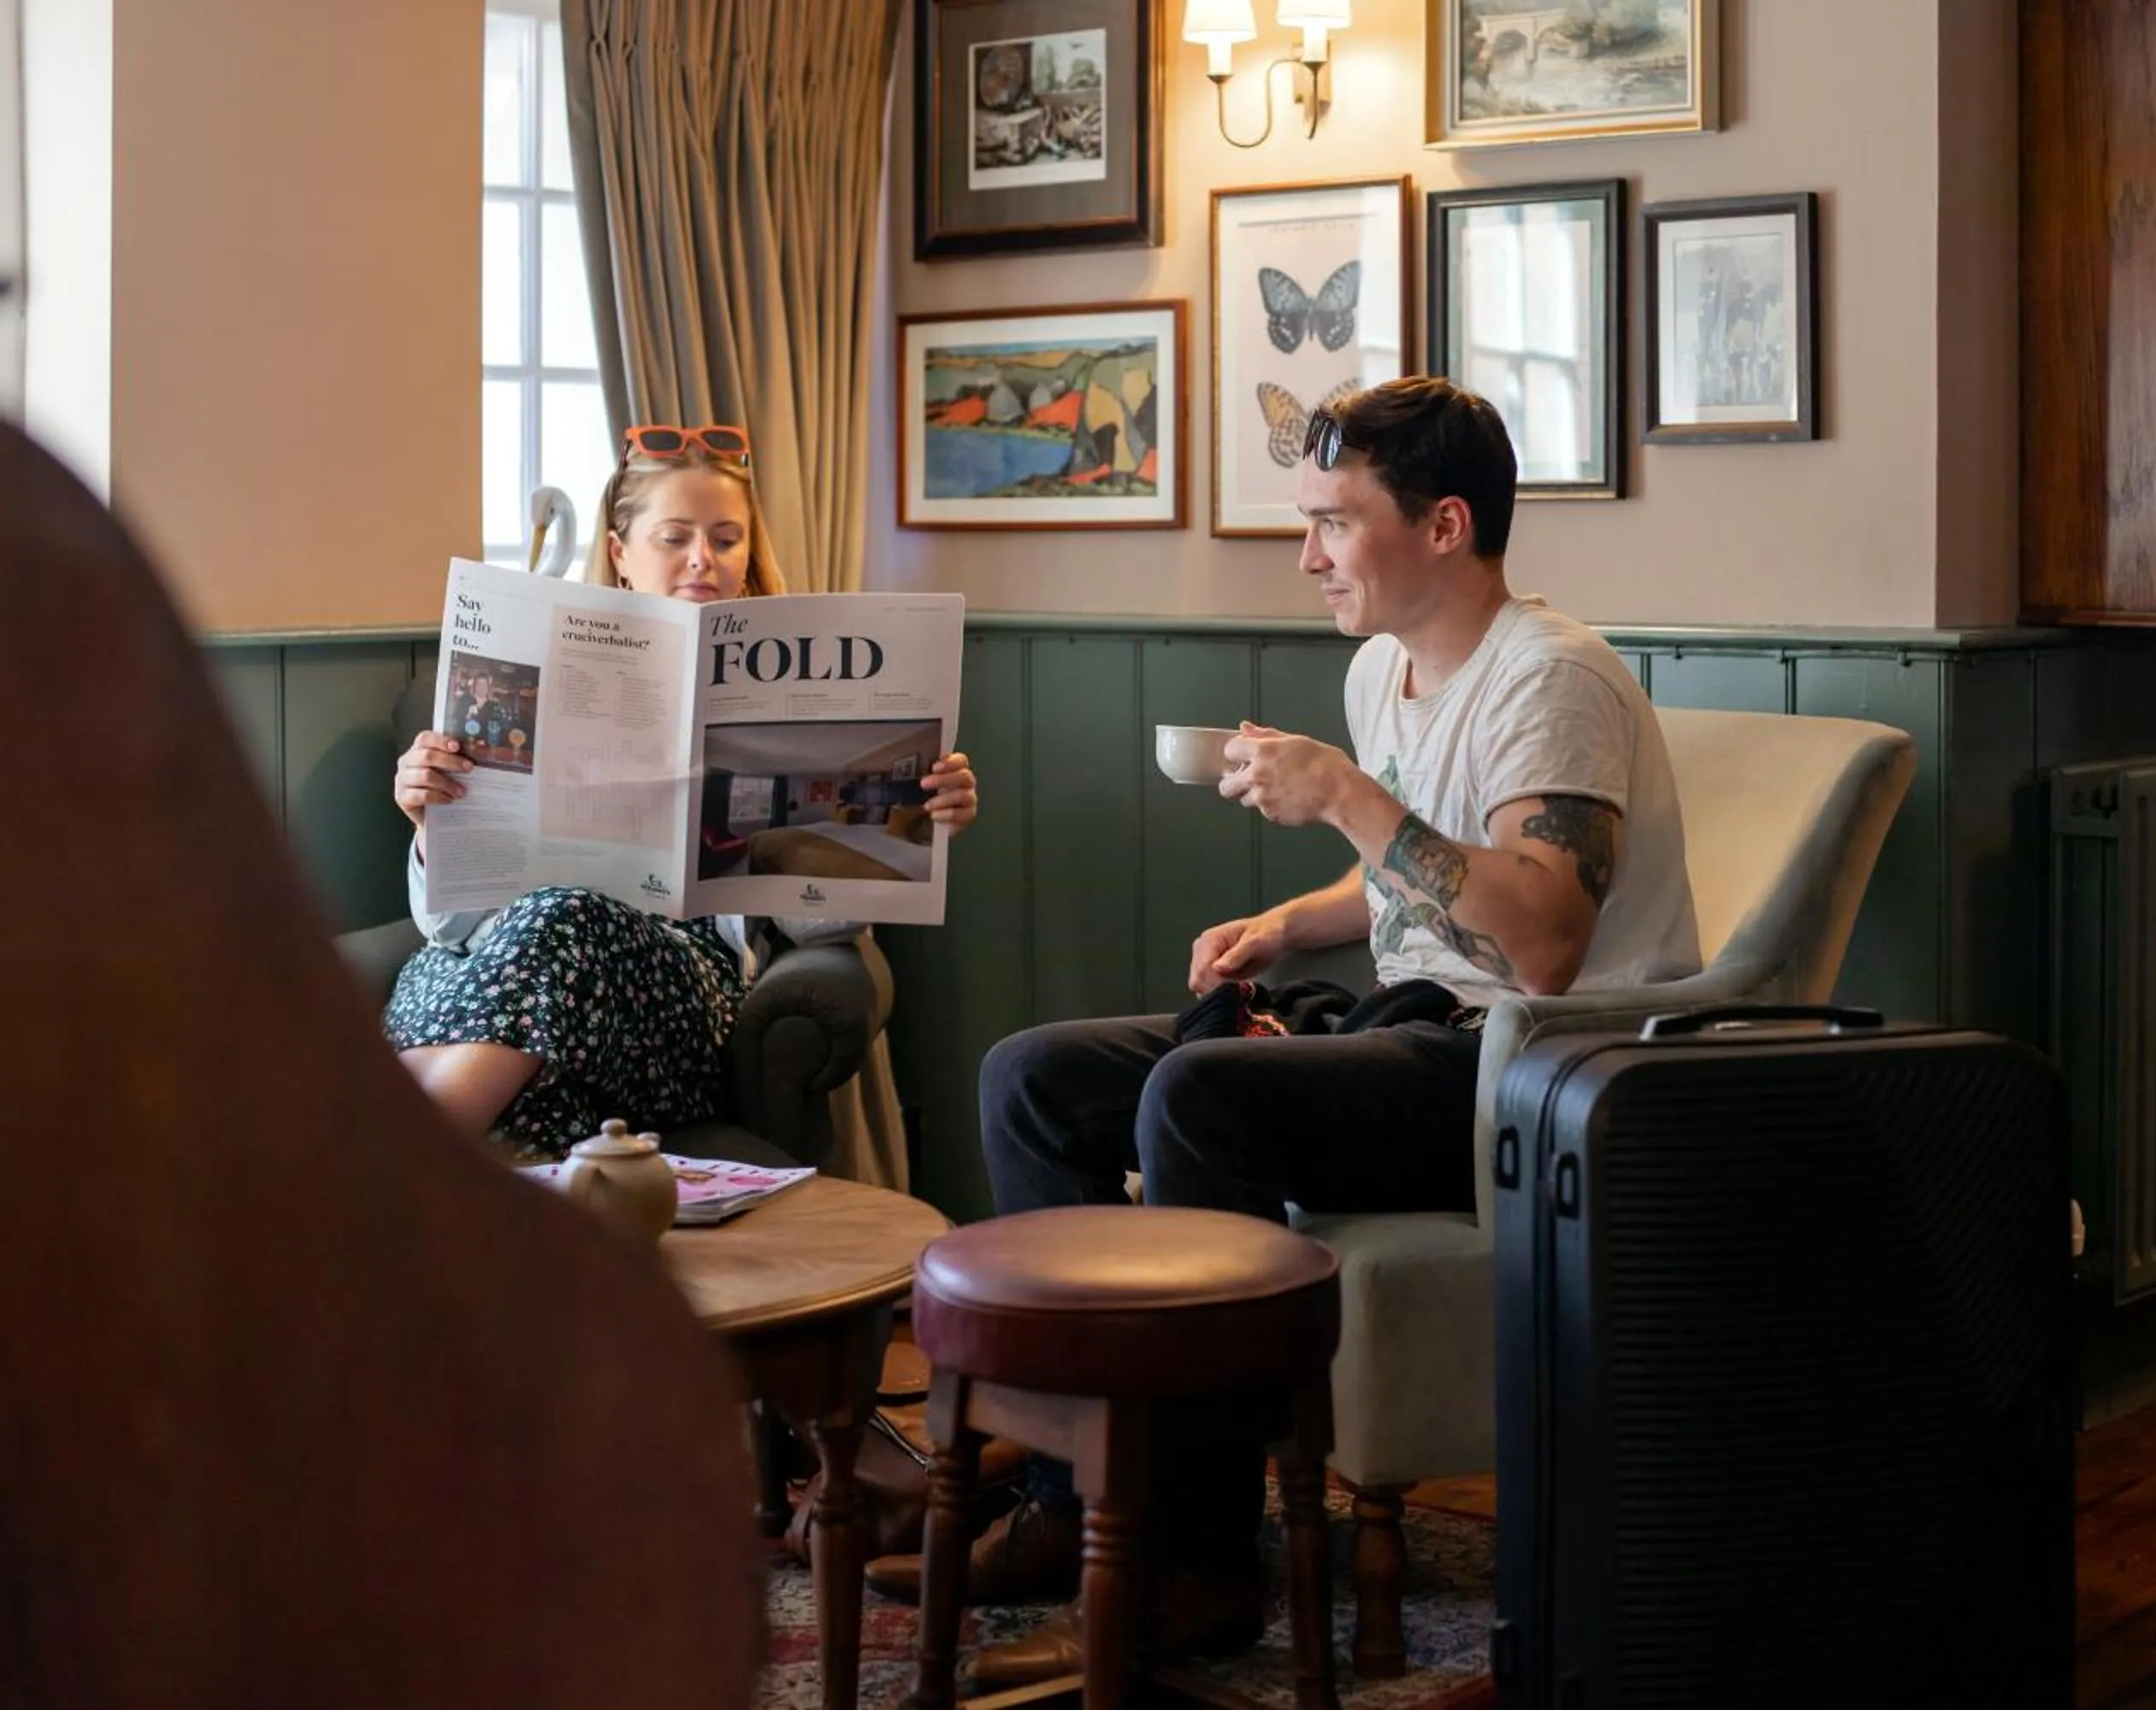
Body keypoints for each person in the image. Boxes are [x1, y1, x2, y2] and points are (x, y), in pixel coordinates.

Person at [883, 377, 1701, 1687]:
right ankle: (1063, 1500)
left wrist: (1346, 798)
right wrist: (1290, 920)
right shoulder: (1386, 666)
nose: (1308, 553)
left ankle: (1203, 1564)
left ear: (1442, 527)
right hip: (1414, 1024)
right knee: (1034, 1077)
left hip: (1529, 1076)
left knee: (1203, 1099)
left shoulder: (1554, 681)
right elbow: (1419, 883)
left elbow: (1543, 935)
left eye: (1334, 520)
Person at [382, 424, 980, 1155]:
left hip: (677, 1000)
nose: (704, 558)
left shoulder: (805, 677)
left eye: (727, 538)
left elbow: (824, 933)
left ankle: (380, 1170)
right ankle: (394, 1167)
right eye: (675, 537)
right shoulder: (532, 664)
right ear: (619, 553)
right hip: (512, 974)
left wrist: (908, 822)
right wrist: (428, 823)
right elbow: (449, 930)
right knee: (548, 953)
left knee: (570, 918)